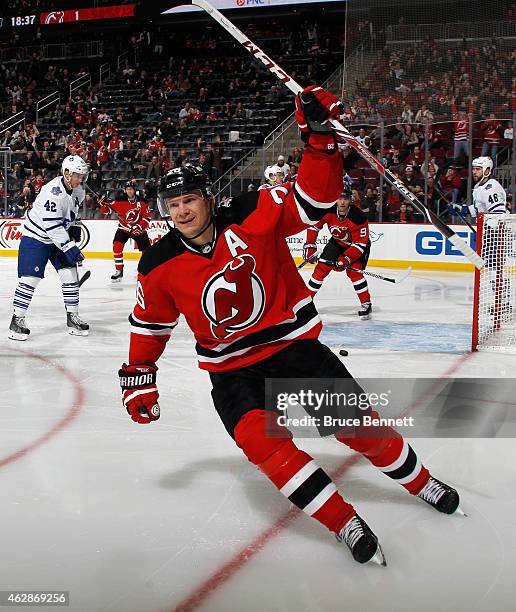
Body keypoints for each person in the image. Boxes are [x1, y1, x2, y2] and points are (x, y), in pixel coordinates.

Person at [118, 86, 462, 567]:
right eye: (172, 203)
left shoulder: (253, 211)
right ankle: (343, 520)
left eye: (190, 199)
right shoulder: (158, 262)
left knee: (360, 428)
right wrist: (139, 377)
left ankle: (421, 482)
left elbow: (314, 202)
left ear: (208, 198)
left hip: (292, 348)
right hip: (232, 371)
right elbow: (151, 326)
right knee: (266, 446)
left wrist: (319, 140)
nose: (181, 210)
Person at [8, 155, 89, 340]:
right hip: (36, 237)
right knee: (31, 279)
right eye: (77, 175)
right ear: (66, 173)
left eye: (82, 175)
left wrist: (75, 227)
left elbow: (73, 213)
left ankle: (72, 317)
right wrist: (71, 248)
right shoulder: (52, 192)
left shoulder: (78, 191)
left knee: (70, 275)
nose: (80, 179)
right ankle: (17, 320)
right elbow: (52, 226)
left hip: (58, 237)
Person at [304, 188, 373, 319]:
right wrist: (310, 244)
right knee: (321, 269)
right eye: (340, 199)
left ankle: (366, 303)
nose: (342, 202)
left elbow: (361, 243)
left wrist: (346, 259)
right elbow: (314, 226)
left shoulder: (358, 217)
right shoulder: (328, 210)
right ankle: (306, 303)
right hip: (337, 243)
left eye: (345, 199)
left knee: (354, 272)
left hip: (355, 246)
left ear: (350, 201)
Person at [99, 181, 152, 283]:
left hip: (138, 231)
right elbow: (107, 211)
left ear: (135, 190)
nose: (129, 191)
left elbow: (147, 217)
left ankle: (144, 271)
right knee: (117, 246)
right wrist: (102, 205)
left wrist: (139, 227)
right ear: (125, 190)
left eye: (131, 189)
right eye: (127, 189)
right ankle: (119, 271)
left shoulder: (143, 202)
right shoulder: (119, 201)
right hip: (124, 229)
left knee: (147, 252)